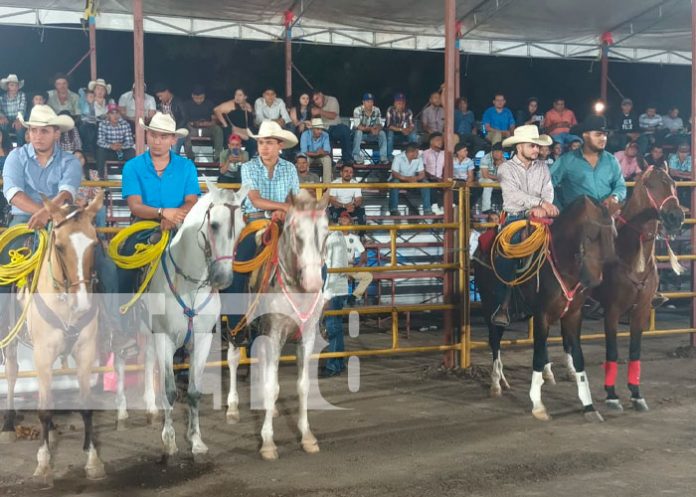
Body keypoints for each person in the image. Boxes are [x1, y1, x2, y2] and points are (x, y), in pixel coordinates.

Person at [115, 112, 200, 352]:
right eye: (153, 135)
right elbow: (135, 206)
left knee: (206, 262)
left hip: (180, 226)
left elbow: (191, 201)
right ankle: (124, 329)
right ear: (147, 135)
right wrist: (163, 214)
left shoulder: (186, 166)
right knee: (125, 266)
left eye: (163, 136)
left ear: (173, 139)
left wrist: (175, 218)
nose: (157, 140)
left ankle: (202, 322)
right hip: (143, 227)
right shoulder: (133, 166)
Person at [0, 106, 87, 321]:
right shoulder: (16, 157)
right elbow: (14, 194)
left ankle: (110, 324)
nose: (37, 136)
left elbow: (67, 193)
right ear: (28, 132)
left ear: (56, 133)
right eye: (34, 131)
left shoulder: (70, 161)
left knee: (100, 262)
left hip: (62, 217)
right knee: (4, 264)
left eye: (44, 131)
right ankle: (2, 324)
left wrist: (48, 214)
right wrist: (44, 213)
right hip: (23, 218)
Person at [221, 121, 300, 331]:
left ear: (279, 145)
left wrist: (284, 211)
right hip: (255, 222)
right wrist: (282, 207)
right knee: (238, 266)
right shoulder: (248, 167)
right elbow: (255, 199)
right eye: (262, 142)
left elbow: (295, 198)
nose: (264, 147)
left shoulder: (290, 168)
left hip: (283, 222)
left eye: (270, 143)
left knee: (314, 259)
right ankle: (236, 325)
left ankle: (311, 315)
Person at [491, 125, 556, 327]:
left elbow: (548, 191)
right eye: (532, 146)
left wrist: (543, 207)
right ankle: (504, 303)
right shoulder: (505, 168)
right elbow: (512, 196)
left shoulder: (543, 168)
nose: (537, 150)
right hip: (515, 217)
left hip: (540, 216)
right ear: (520, 147)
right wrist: (538, 204)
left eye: (537, 146)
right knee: (510, 251)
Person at [550, 115, 626, 212]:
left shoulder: (611, 160)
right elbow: (547, 185)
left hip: (607, 217)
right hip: (577, 220)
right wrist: (558, 208)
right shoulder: (566, 160)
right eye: (598, 134)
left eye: (605, 134)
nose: (603, 138)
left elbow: (620, 185)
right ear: (585, 135)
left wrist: (615, 197)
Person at [321, 219, 350, 378]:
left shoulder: (333, 238)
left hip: (334, 290)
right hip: (337, 289)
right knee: (336, 327)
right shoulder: (335, 237)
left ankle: (333, 365)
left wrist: (326, 296)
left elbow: (333, 270)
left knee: (332, 327)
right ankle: (338, 363)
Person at [337, 211, 372, 306]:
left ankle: (353, 297)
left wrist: (358, 265)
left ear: (350, 222)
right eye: (342, 217)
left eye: (346, 218)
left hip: (349, 266)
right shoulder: (334, 235)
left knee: (368, 276)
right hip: (336, 267)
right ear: (339, 221)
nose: (344, 219)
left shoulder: (354, 238)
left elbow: (363, 253)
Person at [389, 142, 432, 216]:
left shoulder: (419, 158)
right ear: (412, 152)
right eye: (417, 152)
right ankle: (393, 209)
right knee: (394, 182)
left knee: (425, 182)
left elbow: (422, 174)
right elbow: (395, 174)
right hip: (401, 179)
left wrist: (415, 178)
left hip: (413, 179)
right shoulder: (398, 157)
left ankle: (427, 209)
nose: (418, 153)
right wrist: (407, 179)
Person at [213, 88, 257, 157]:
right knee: (234, 143)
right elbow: (216, 110)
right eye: (236, 95)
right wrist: (225, 124)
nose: (237, 97)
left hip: (245, 131)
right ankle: (232, 161)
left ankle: (247, 159)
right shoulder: (231, 104)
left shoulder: (248, 106)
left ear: (245, 97)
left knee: (253, 142)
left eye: (240, 95)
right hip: (233, 131)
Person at [183, 84, 223, 161]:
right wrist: (194, 124)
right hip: (193, 129)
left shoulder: (210, 104)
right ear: (192, 96)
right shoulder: (187, 105)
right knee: (185, 131)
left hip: (207, 128)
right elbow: (186, 120)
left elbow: (214, 120)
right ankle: (190, 157)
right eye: (196, 98)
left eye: (201, 98)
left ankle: (218, 156)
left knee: (218, 129)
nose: (199, 100)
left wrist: (207, 124)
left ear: (204, 96)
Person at [311, 90, 352, 165]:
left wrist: (320, 111)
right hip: (322, 129)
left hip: (335, 126)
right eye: (314, 101)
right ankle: (329, 161)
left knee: (344, 130)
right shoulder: (313, 106)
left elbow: (333, 116)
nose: (316, 102)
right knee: (322, 135)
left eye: (317, 99)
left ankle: (347, 159)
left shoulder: (332, 100)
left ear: (321, 94)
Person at [96, 103, 135, 173]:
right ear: (108, 115)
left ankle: (132, 176)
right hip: (109, 151)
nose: (115, 116)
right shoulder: (103, 124)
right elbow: (100, 141)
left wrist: (121, 146)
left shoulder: (125, 124)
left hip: (121, 150)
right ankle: (100, 177)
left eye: (117, 113)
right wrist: (111, 146)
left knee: (131, 151)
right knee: (100, 151)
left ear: (119, 114)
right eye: (112, 113)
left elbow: (130, 142)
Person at [73, 150, 107, 229]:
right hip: (73, 204)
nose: (78, 160)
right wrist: (77, 201)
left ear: (84, 160)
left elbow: (97, 193)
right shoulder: (67, 175)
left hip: (89, 203)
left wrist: (86, 201)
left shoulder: (93, 174)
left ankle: (101, 237)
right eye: (75, 158)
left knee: (101, 208)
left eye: (80, 157)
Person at [352, 93, 388, 165]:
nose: (370, 103)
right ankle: (356, 157)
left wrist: (377, 129)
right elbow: (358, 126)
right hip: (359, 136)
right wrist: (371, 129)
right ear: (363, 102)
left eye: (371, 101)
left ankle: (383, 158)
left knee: (382, 133)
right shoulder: (357, 110)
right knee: (359, 132)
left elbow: (380, 124)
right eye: (368, 101)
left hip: (372, 135)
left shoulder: (377, 110)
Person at [78, 78, 111, 154]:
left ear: (105, 92)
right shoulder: (87, 101)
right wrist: (90, 104)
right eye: (98, 89)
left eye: (103, 89)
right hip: (92, 127)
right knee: (87, 127)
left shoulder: (110, 101)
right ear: (94, 90)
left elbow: (112, 115)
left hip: (106, 127)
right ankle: (89, 151)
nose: (100, 91)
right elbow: (85, 117)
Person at [153, 83, 188, 154]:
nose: (160, 98)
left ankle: (173, 162)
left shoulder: (178, 102)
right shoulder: (160, 105)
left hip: (178, 131)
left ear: (166, 92)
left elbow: (185, 118)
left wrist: (174, 131)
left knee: (174, 145)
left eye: (160, 96)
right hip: (165, 131)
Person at [385, 92, 417, 161]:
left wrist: (408, 130)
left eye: (402, 102)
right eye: (398, 102)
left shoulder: (408, 111)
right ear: (395, 103)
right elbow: (389, 126)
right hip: (394, 135)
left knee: (413, 135)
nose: (400, 104)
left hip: (404, 135)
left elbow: (411, 125)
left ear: (405, 103)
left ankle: (413, 155)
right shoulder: (390, 110)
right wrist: (401, 129)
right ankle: (389, 157)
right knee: (390, 133)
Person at [300, 118, 333, 183]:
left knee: (327, 159)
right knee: (304, 159)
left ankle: (327, 184)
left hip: (320, 156)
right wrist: (317, 153)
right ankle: (305, 182)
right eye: (318, 129)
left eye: (321, 129)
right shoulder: (305, 134)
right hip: (309, 156)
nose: (320, 131)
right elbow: (304, 151)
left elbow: (327, 151)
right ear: (312, 129)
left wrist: (322, 152)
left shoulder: (325, 135)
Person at [0, 74, 27, 147]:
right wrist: (1, 117)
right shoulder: (2, 97)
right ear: (7, 86)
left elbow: (22, 109)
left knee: (20, 127)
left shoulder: (22, 95)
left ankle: (20, 149)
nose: (14, 87)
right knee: (1, 125)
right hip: (7, 120)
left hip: (18, 119)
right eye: (12, 85)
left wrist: (18, 119)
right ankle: (7, 147)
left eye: (16, 85)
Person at [422, 132, 445, 215]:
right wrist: (433, 177)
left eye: (442, 140)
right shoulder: (425, 153)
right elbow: (422, 169)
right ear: (431, 142)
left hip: (441, 179)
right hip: (429, 177)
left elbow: (446, 168)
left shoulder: (444, 154)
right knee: (430, 182)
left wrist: (442, 178)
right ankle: (434, 206)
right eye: (438, 140)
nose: (440, 142)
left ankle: (444, 207)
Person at [479, 142, 505, 212]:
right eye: (495, 151)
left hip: (496, 180)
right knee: (489, 182)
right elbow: (485, 175)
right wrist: (499, 178)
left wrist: (501, 164)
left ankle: (508, 209)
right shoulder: (486, 158)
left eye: (499, 152)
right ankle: (486, 209)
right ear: (492, 152)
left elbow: (505, 175)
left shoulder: (504, 160)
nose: (497, 153)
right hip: (483, 179)